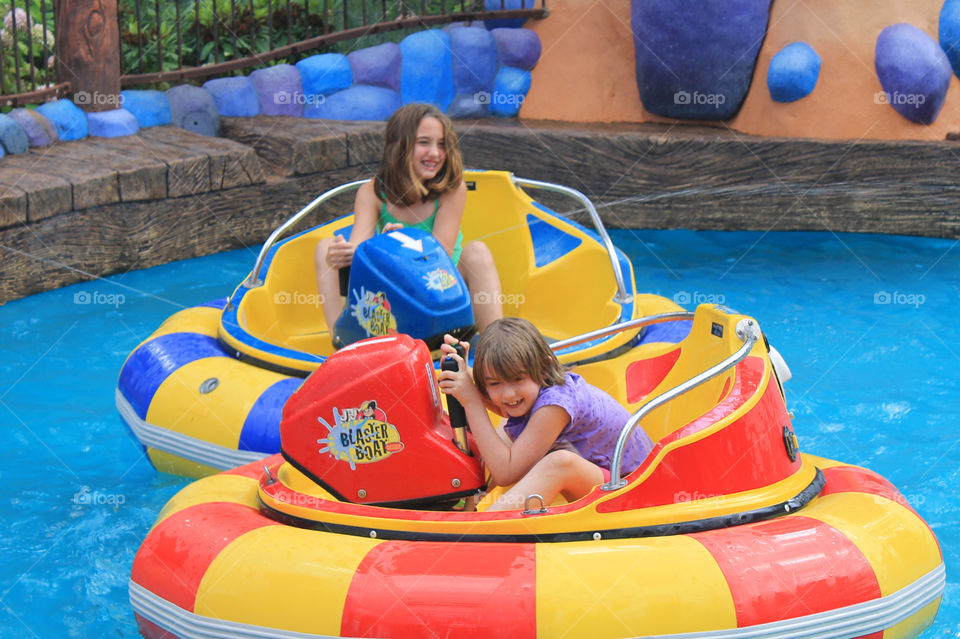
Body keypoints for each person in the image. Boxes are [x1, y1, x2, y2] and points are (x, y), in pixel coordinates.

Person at [314, 103, 502, 336]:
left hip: (442, 289)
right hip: (396, 296)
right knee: (325, 249)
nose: (435, 153)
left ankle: (497, 346)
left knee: (477, 252)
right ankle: (339, 337)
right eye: (424, 142)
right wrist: (353, 252)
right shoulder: (371, 192)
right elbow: (359, 249)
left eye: (442, 144)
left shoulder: (452, 190)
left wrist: (399, 249)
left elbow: (437, 257)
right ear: (400, 146)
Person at [437, 318, 655, 511]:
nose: (508, 393)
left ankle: (483, 526)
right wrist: (463, 372)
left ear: (543, 368)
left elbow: (506, 473)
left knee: (560, 463)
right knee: (510, 424)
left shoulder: (555, 406)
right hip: (608, 477)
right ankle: (477, 500)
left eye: (517, 379)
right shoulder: (534, 393)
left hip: (633, 490)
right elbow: (502, 405)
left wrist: (472, 401)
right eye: (494, 383)